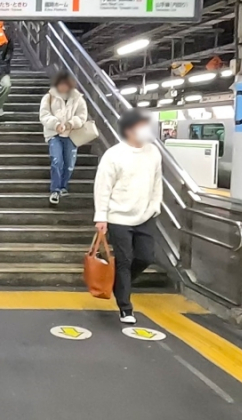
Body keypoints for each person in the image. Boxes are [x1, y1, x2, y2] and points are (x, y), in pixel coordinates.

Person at [94, 109, 163, 325]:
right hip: (118, 217)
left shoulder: (153, 152)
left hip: (145, 215)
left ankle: (119, 284)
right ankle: (125, 307)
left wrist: (155, 206)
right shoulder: (114, 155)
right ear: (130, 130)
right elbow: (103, 187)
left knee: (145, 257)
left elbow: (157, 182)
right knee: (124, 261)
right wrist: (101, 216)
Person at [39, 71, 88, 205]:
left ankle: (63, 186)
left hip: (71, 135)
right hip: (54, 134)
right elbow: (44, 115)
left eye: (65, 84)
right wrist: (55, 124)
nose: (63, 87)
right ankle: (55, 190)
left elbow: (82, 116)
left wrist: (70, 124)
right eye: (60, 84)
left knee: (69, 163)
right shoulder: (49, 97)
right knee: (57, 161)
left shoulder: (78, 98)